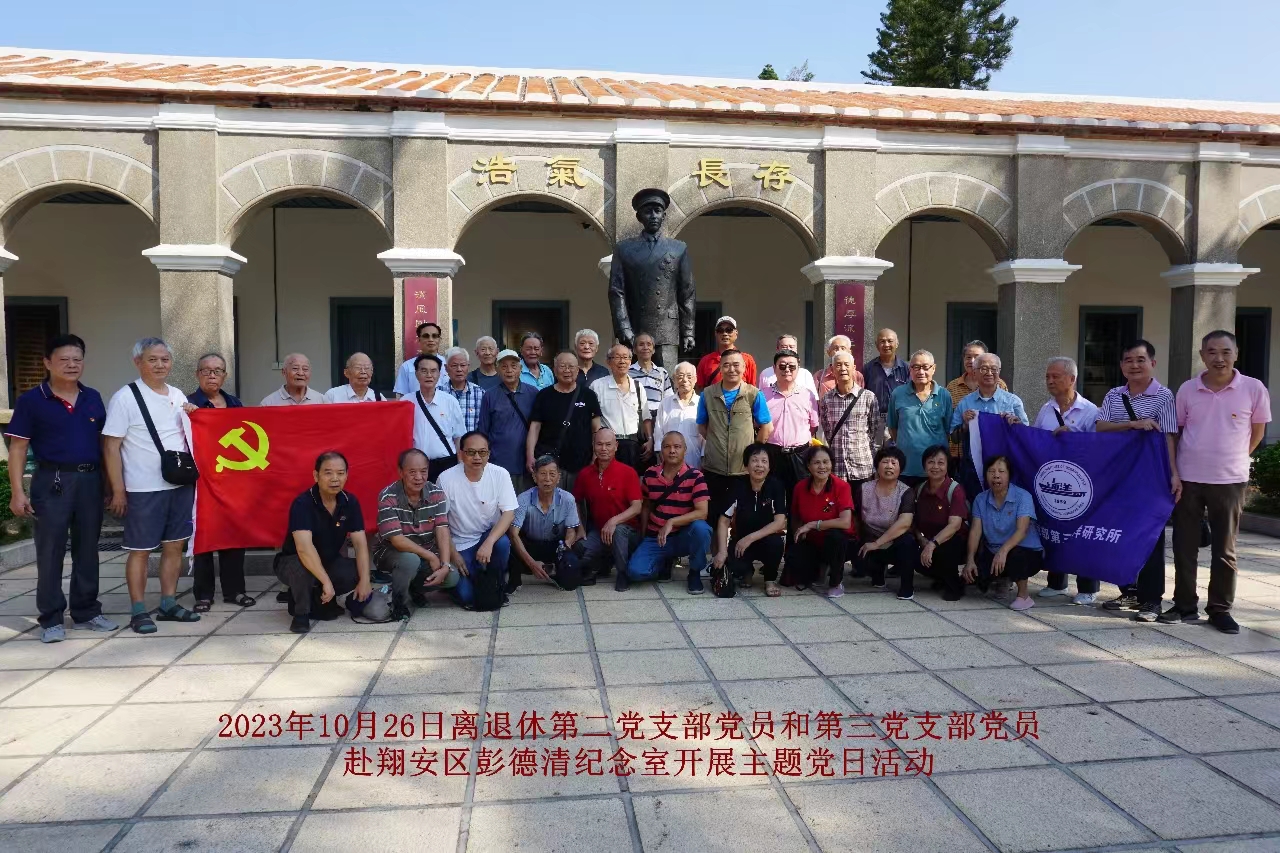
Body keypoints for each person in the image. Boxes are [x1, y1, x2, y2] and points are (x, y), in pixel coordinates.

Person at [6, 334, 117, 643]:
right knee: (50, 550)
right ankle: (51, 618)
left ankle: (86, 611)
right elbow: (18, 448)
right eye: (64, 360)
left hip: (90, 481)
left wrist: (111, 486)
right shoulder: (31, 400)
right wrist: (17, 491)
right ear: (47, 363)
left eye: (77, 359)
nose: (71, 365)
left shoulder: (92, 397)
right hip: (51, 482)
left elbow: (104, 446)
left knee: (88, 549)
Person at [1165, 330, 1270, 634]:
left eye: (1225, 352)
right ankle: (1184, 604)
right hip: (1189, 478)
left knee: (1225, 549)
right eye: (1212, 352)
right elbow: (1175, 432)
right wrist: (1175, 472)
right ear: (1202, 355)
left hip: (1230, 480)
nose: (1219, 358)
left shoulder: (1253, 388)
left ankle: (1220, 609)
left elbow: (1257, 433)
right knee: (1184, 545)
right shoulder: (1188, 389)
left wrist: (1233, 458)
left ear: (1236, 354)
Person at [101, 337, 201, 635]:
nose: (160, 365)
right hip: (143, 487)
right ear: (138, 362)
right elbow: (111, 447)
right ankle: (138, 610)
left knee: (175, 545)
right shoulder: (125, 398)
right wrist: (118, 490)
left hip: (179, 484)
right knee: (140, 550)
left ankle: (169, 603)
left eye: (164, 359)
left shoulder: (178, 394)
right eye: (152, 359)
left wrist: (194, 413)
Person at [1096, 340, 1180, 622]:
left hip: (1151, 478)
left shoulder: (1164, 396)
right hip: (1119, 477)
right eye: (1129, 360)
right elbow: (1101, 426)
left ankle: (1152, 600)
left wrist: (1174, 474)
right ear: (1122, 366)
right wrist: (1133, 424)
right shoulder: (1114, 395)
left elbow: (1169, 437)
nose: (1134, 365)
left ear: (1152, 363)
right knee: (1121, 534)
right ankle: (1129, 591)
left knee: (1151, 536)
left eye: (1140, 360)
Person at [275, 450, 373, 633]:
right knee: (302, 569)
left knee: (355, 571)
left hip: (328, 560)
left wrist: (365, 580)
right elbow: (304, 549)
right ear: (316, 475)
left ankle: (318, 598)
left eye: (340, 473)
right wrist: (326, 581)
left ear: (347, 475)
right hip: (294, 561)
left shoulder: (349, 502)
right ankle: (301, 613)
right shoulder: (303, 503)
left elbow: (360, 545)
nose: (335, 479)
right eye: (328, 473)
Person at [1032, 356, 1102, 605]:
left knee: (1083, 535)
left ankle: (1088, 587)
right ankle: (1056, 582)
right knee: (1055, 531)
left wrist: (1073, 437)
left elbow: (1099, 448)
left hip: (1082, 484)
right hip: (1054, 482)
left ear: (1072, 379)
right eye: (1047, 376)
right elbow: (1035, 440)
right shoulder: (1046, 409)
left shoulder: (1090, 411)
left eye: (1056, 376)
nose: (1050, 381)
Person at [187, 353, 253, 613]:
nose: (212, 375)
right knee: (204, 534)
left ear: (225, 375)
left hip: (232, 480)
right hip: (201, 480)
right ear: (197, 374)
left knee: (234, 534)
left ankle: (235, 590)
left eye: (217, 371)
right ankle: (203, 593)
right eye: (206, 371)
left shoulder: (235, 403)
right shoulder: (188, 404)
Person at [371, 448, 459, 617]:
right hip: (391, 552)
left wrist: (445, 564)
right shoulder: (388, 496)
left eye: (423, 471)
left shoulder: (436, 494)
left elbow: (442, 529)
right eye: (412, 472)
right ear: (401, 472)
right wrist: (431, 556)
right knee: (410, 560)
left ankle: (414, 589)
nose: (419, 477)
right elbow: (397, 540)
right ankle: (398, 603)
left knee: (451, 577)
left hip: (424, 551)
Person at [438, 432, 518, 606]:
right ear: (461, 454)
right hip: (459, 543)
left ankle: (497, 582)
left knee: (502, 543)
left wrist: (489, 542)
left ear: (489, 454)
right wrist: (453, 553)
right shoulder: (446, 479)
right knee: (467, 597)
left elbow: (509, 513)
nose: (477, 457)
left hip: (486, 536)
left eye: (482, 452)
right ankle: (464, 580)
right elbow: (441, 523)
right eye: (471, 452)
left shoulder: (500, 474)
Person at [627, 432, 713, 594]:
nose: (672, 451)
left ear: (685, 450)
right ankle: (664, 561)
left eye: (677, 447)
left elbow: (702, 512)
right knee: (635, 572)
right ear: (661, 450)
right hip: (657, 537)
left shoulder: (696, 476)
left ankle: (694, 572)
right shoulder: (650, 474)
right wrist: (643, 535)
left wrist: (672, 522)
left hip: (683, 537)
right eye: (667, 447)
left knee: (702, 529)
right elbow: (646, 506)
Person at [697, 349, 773, 520]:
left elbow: (767, 427)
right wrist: (717, 442)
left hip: (743, 470)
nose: (731, 369)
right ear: (720, 368)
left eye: (736, 365)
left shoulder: (753, 394)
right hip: (714, 467)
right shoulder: (707, 394)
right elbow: (701, 426)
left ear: (744, 367)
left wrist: (753, 452)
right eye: (726, 365)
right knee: (714, 515)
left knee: (741, 516)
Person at [962, 455, 1043, 611]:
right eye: (991, 471)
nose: (996, 475)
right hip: (994, 551)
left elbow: (1022, 530)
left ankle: (1024, 596)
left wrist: (1003, 551)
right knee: (976, 578)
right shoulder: (980, 499)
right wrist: (970, 560)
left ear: (1009, 475)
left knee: (1016, 556)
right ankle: (1003, 579)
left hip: (1025, 551)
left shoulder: (1023, 496)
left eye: (1001, 471)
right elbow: (975, 531)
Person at [712, 443, 787, 596]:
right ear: (746, 465)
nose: (759, 465)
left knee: (776, 544)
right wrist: (722, 551)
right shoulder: (737, 486)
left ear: (770, 466)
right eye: (754, 460)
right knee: (734, 566)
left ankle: (770, 580)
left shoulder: (776, 486)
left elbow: (780, 522)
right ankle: (747, 572)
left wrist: (750, 538)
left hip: (766, 539)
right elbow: (723, 521)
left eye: (764, 461)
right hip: (740, 540)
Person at [950, 353, 1028, 500]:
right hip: (973, 470)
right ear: (975, 372)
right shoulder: (965, 403)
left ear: (999, 372)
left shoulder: (1013, 402)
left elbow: (1026, 437)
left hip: (1005, 469)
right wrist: (965, 425)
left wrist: (1016, 425)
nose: (989, 373)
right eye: (984, 369)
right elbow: (954, 438)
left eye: (994, 369)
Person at [573, 428, 644, 587]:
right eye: (599, 444)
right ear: (593, 446)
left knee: (618, 530)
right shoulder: (585, 474)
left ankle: (622, 573)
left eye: (608, 444)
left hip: (627, 532)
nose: (603, 448)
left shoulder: (628, 472)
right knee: (579, 550)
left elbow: (637, 507)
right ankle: (603, 563)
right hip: (600, 531)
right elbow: (575, 501)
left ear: (616, 446)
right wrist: (580, 527)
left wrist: (614, 521)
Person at [528, 352, 603, 493]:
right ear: (555, 370)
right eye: (562, 366)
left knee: (579, 502)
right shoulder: (544, 395)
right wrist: (530, 455)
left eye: (571, 366)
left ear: (577, 370)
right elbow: (535, 428)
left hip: (582, 463)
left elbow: (596, 429)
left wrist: (595, 456)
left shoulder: (588, 395)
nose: (567, 370)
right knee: (551, 501)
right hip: (551, 464)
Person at [509, 455, 584, 592]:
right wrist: (532, 563)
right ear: (534, 477)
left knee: (573, 567)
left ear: (558, 477)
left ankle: (555, 571)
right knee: (511, 544)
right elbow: (514, 533)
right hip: (531, 544)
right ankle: (516, 581)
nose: (547, 479)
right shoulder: (523, 499)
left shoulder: (568, 499)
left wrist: (565, 547)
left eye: (552, 474)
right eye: (543, 474)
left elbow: (571, 531)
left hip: (556, 545)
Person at [854, 446, 920, 600]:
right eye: (885, 462)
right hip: (870, 538)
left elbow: (905, 523)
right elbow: (856, 517)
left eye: (894, 463)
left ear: (900, 468)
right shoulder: (864, 488)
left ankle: (907, 587)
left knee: (908, 542)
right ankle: (876, 573)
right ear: (877, 466)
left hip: (894, 541)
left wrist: (877, 543)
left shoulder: (906, 492)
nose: (889, 466)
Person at [786, 445, 853, 593]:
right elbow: (795, 516)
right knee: (793, 568)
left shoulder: (841, 486)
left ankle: (836, 582)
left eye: (826, 462)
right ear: (808, 466)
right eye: (816, 463)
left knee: (836, 536)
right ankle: (819, 569)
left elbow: (845, 522)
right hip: (812, 542)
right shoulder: (800, 487)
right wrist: (798, 534)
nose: (822, 467)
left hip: (837, 543)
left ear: (831, 464)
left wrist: (813, 525)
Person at [887, 349, 953, 487]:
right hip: (906, 467)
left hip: (935, 469)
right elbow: (893, 428)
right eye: (916, 367)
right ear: (910, 369)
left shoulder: (944, 395)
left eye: (925, 367)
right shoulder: (898, 394)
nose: (920, 372)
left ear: (933, 368)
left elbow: (947, 430)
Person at [912, 445, 969, 601]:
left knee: (947, 548)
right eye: (931, 462)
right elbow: (912, 521)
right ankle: (941, 577)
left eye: (940, 462)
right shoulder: (919, 489)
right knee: (909, 551)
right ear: (924, 465)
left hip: (953, 541)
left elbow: (954, 525)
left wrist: (932, 545)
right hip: (928, 540)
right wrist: (921, 539)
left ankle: (954, 587)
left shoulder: (955, 490)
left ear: (947, 465)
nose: (935, 466)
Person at [478, 348, 538, 494]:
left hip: (527, 462)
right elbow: (483, 431)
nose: (509, 370)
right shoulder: (489, 396)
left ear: (520, 369)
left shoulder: (533, 393)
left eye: (513, 366)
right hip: (499, 462)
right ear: (497, 370)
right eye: (504, 367)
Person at [820, 351, 882, 488]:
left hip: (862, 466)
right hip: (837, 468)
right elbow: (827, 430)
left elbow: (876, 432)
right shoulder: (826, 399)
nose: (842, 368)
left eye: (846, 365)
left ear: (854, 368)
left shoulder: (868, 397)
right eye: (838, 365)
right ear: (832, 370)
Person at [763, 348, 819, 499]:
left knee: (801, 498)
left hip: (800, 455)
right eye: (782, 366)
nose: (787, 370)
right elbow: (757, 425)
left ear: (798, 369)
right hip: (772, 454)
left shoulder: (808, 395)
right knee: (773, 498)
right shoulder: (763, 395)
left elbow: (813, 426)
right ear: (774, 368)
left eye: (792, 366)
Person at [592, 343, 653, 474]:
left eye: (626, 357)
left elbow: (646, 417)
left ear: (630, 361)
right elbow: (593, 421)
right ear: (608, 361)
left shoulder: (638, 387)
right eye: (617, 357)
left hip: (633, 446)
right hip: (608, 446)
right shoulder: (597, 386)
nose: (622, 361)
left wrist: (650, 439)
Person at [945, 340, 1008, 465]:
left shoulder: (999, 384)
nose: (972, 361)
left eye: (977, 357)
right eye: (968, 357)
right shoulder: (952, 386)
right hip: (961, 456)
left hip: (994, 455)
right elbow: (950, 421)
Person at [410, 354, 466, 482]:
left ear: (439, 374)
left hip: (446, 463)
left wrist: (460, 465)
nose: (429, 375)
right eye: (424, 371)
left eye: (433, 371)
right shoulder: (407, 401)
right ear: (416, 374)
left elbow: (459, 437)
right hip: (416, 465)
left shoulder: (450, 401)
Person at [654, 361, 703, 469]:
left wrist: (704, 458)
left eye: (689, 376)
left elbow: (705, 437)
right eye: (680, 376)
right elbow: (658, 432)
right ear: (674, 380)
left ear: (695, 379)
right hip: (667, 464)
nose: (685, 380)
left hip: (694, 463)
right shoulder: (665, 403)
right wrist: (659, 454)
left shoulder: (702, 403)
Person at [696, 316, 758, 388]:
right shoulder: (705, 361)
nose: (725, 334)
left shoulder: (747, 360)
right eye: (720, 330)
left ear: (736, 333)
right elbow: (700, 389)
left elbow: (752, 389)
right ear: (716, 334)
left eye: (729, 330)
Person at [864, 328, 910, 419]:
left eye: (890, 341)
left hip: (899, 419)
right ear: (876, 345)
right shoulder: (868, 368)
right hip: (874, 419)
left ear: (897, 344)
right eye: (882, 341)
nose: (886, 344)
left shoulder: (906, 369)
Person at [394, 322, 444, 397]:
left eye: (434, 336)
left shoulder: (448, 365)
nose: (430, 339)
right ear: (418, 339)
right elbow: (402, 396)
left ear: (440, 339)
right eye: (426, 336)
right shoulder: (407, 367)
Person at [442, 346, 485, 432]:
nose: (459, 369)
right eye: (454, 366)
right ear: (446, 368)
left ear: (468, 366)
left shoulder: (480, 393)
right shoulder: (438, 393)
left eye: (463, 365)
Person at [629, 331, 672, 413]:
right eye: (641, 344)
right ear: (634, 350)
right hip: (635, 417)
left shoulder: (662, 373)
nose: (645, 347)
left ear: (653, 350)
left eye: (649, 344)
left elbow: (668, 399)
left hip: (657, 418)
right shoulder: (627, 373)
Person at [261, 353, 326, 405]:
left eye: (305, 369)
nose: (300, 373)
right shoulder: (268, 403)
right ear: (284, 372)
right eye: (295, 368)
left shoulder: (322, 401)